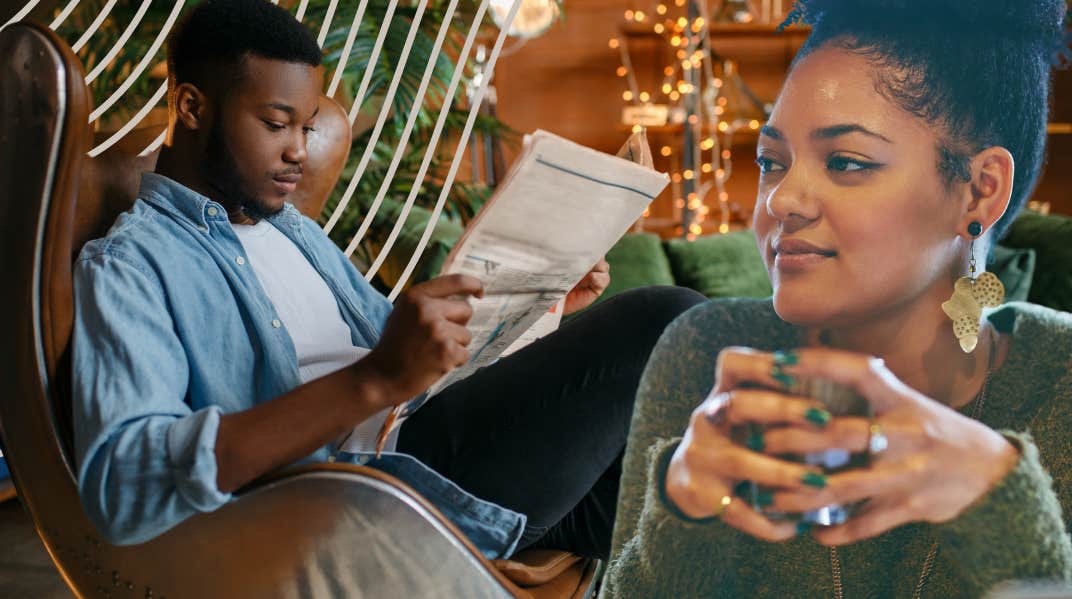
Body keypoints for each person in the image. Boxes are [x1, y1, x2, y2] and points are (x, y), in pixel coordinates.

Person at [71, 0, 704, 562]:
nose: (298, 149)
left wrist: (541, 309)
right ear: (191, 107)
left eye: (306, 124)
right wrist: (374, 380)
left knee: (694, 495)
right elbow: (123, 485)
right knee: (671, 319)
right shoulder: (131, 265)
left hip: (434, 439)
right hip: (372, 491)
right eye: (275, 123)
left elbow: (418, 369)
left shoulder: (293, 230)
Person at [604, 0, 1072, 596]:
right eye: (772, 162)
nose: (781, 200)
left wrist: (1000, 501)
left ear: (979, 193)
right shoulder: (707, 356)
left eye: (846, 161)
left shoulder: (1061, 385)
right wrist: (685, 509)